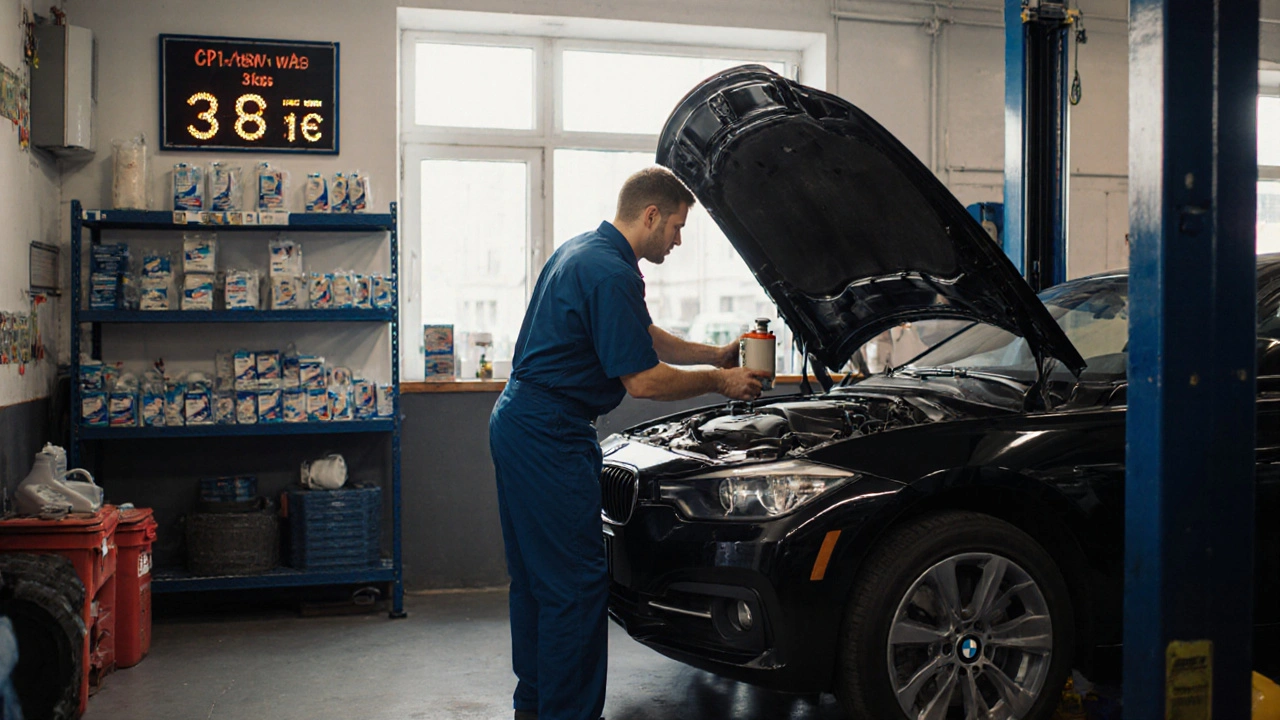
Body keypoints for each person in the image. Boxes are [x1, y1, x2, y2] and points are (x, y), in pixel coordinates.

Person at [488, 167, 769, 720]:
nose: (679, 240)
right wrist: (722, 383)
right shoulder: (611, 272)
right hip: (550, 432)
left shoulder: (587, 253)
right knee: (574, 587)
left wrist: (714, 354)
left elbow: (643, 334)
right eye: (678, 227)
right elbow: (643, 379)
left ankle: (537, 709)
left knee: (538, 583)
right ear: (651, 216)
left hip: (520, 420)